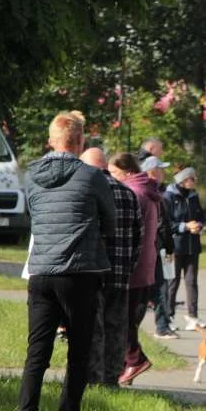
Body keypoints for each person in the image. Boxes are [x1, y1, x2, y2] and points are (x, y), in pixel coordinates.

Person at [16, 112, 115, 411]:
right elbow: (110, 221)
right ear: (81, 142)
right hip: (78, 273)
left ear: (50, 141)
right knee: (79, 349)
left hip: (41, 271)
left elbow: (33, 215)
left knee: (37, 351)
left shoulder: (31, 176)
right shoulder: (91, 177)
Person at [79, 148, 142, 385]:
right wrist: (128, 266)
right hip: (120, 272)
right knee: (116, 329)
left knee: (93, 329)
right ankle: (111, 378)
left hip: (91, 273)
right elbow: (139, 237)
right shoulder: (128, 194)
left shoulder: (87, 192)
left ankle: (91, 379)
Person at [109, 153, 161, 386]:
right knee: (130, 319)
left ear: (127, 171)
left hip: (133, 267)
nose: (112, 178)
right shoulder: (147, 190)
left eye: (114, 173)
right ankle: (123, 367)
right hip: (146, 267)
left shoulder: (134, 193)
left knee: (123, 319)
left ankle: (135, 359)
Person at [165, 166, 206, 331]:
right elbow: (166, 223)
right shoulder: (168, 197)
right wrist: (184, 226)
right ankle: (169, 316)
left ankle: (193, 316)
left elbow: (201, 215)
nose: (195, 181)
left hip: (193, 247)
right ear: (183, 179)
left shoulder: (194, 196)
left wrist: (199, 225)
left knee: (192, 282)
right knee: (172, 282)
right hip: (174, 247)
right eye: (192, 178)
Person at [141, 156, 177, 339]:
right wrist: (169, 248)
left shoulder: (152, 192)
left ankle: (163, 324)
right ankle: (162, 327)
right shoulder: (155, 195)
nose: (163, 172)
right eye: (160, 169)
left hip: (151, 248)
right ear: (152, 172)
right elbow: (163, 226)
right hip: (152, 249)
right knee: (159, 288)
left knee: (155, 289)